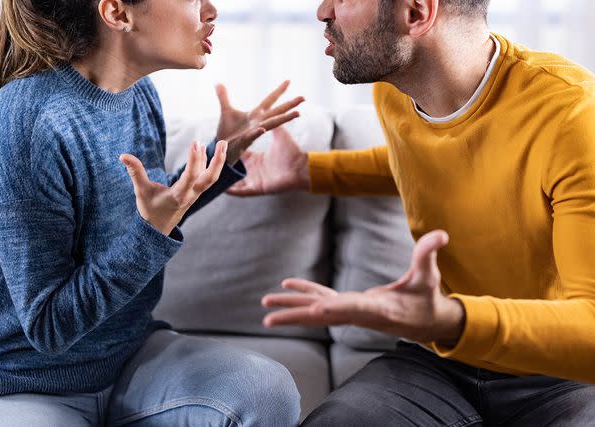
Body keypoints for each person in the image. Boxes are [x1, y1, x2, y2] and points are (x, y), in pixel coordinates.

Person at [228, 0, 595, 425]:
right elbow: (428, 161)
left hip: (562, 375)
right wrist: (307, 171)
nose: (322, 11)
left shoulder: (572, 117)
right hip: (438, 361)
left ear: (417, 13)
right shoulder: (396, 88)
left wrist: (453, 320)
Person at [0, 0, 304, 425]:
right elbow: (49, 328)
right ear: (118, 12)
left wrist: (221, 155)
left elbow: (144, 216)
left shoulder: (138, 95)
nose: (212, 10)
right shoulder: (26, 128)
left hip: (126, 354)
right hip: (17, 380)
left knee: (267, 393)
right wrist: (151, 230)